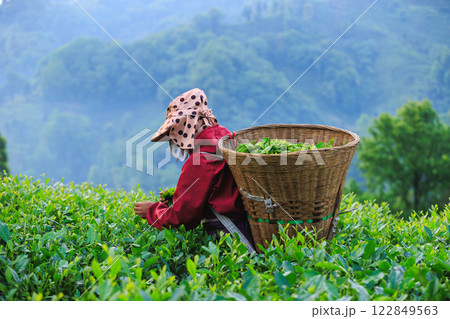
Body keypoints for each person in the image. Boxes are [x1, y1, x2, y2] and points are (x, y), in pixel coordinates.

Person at [134, 88, 254, 248]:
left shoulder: (200, 160)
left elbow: (182, 218)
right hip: (249, 231)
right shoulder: (229, 141)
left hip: (228, 239)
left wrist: (152, 211)